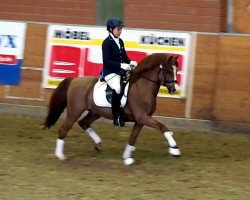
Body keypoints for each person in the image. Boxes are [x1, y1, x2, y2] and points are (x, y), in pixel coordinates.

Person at [100, 17, 137, 127]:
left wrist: (130, 62)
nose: (120, 31)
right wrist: (121, 65)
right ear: (111, 29)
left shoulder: (120, 41)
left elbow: (124, 56)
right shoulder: (106, 43)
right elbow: (106, 62)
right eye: (118, 29)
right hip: (110, 72)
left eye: (121, 29)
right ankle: (116, 116)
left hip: (120, 71)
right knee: (117, 88)